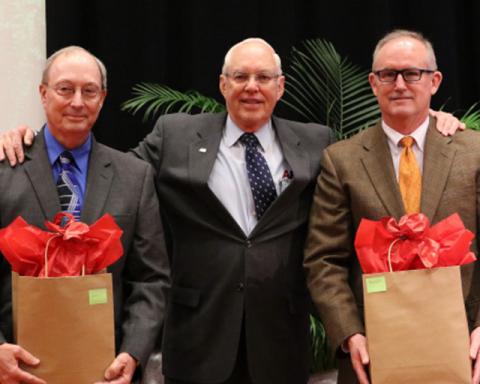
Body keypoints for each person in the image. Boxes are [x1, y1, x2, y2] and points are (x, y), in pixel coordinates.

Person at [0, 38, 465, 384]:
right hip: (197, 338)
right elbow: (109, 178)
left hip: (280, 339)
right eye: (239, 77)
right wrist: (32, 146)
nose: (251, 87)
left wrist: (436, 123)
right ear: (222, 85)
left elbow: (376, 156)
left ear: (281, 87)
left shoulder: (316, 142)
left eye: (263, 78)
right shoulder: (176, 135)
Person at [304, 29, 480, 384]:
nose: (400, 84)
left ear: (434, 81)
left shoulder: (474, 152)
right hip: (374, 353)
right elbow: (323, 259)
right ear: (373, 82)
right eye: (388, 74)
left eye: (412, 73)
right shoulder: (342, 160)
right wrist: (350, 333)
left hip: (467, 348)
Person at [0, 46, 170, 384]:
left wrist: (133, 352)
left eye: (89, 91)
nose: (78, 101)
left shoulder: (134, 177)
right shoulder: (5, 169)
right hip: (16, 372)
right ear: (43, 93)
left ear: (102, 98)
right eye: (65, 89)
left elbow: (151, 280)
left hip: (105, 372)